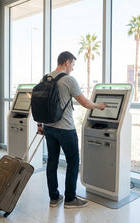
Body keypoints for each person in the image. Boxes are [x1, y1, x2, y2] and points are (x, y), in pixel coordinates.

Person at [37, 51, 106, 209]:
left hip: (49, 127)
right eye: (73, 64)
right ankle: (70, 199)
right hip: (65, 129)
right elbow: (85, 103)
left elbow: (40, 104)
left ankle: (54, 198)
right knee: (73, 161)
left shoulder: (45, 78)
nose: (73, 68)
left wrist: (39, 125)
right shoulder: (68, 80)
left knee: (52, 162)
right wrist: (99, 106)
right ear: (67, 62)